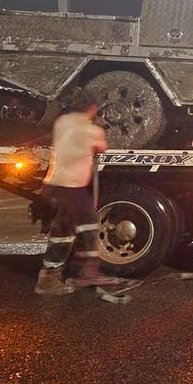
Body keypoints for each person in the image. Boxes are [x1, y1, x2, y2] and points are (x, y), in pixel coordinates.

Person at [34, 90, 122, 295]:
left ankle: (87, 271)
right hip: (71, 189)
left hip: (54, 186)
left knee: (88, 227)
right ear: (92, 108)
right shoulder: (93, 131)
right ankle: (48, 279)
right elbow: (102, 147)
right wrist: (100, 127)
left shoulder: (62, 122)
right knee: (64, 235)